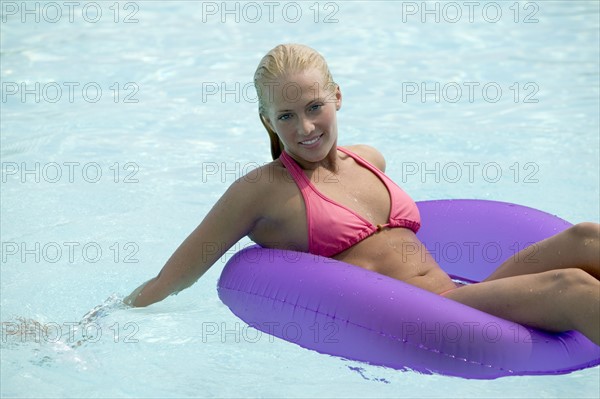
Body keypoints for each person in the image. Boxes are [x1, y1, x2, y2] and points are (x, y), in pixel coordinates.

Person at [124, 43, 600, 345]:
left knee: (587, 236)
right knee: (571, 289)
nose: (305, 128)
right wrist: (87, 327)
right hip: (428, 319)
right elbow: (171, 279)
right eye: (286, 116)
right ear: (267, 121)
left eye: (315, 107)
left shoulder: (369, 159)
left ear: (337, 97)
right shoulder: (260, 191)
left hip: (463, 296)